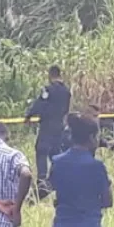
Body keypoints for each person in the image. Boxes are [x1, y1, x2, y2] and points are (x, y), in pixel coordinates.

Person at [25, 65, 72, 200]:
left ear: (51, 75)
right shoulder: (67, 92)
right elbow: (66, 109)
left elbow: (40, 103)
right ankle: (59, 175)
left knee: (41, 149)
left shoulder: (48, 89)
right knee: (55, 152)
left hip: (47, 124)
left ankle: (42, 180)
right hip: (60, 125)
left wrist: (29, 115)